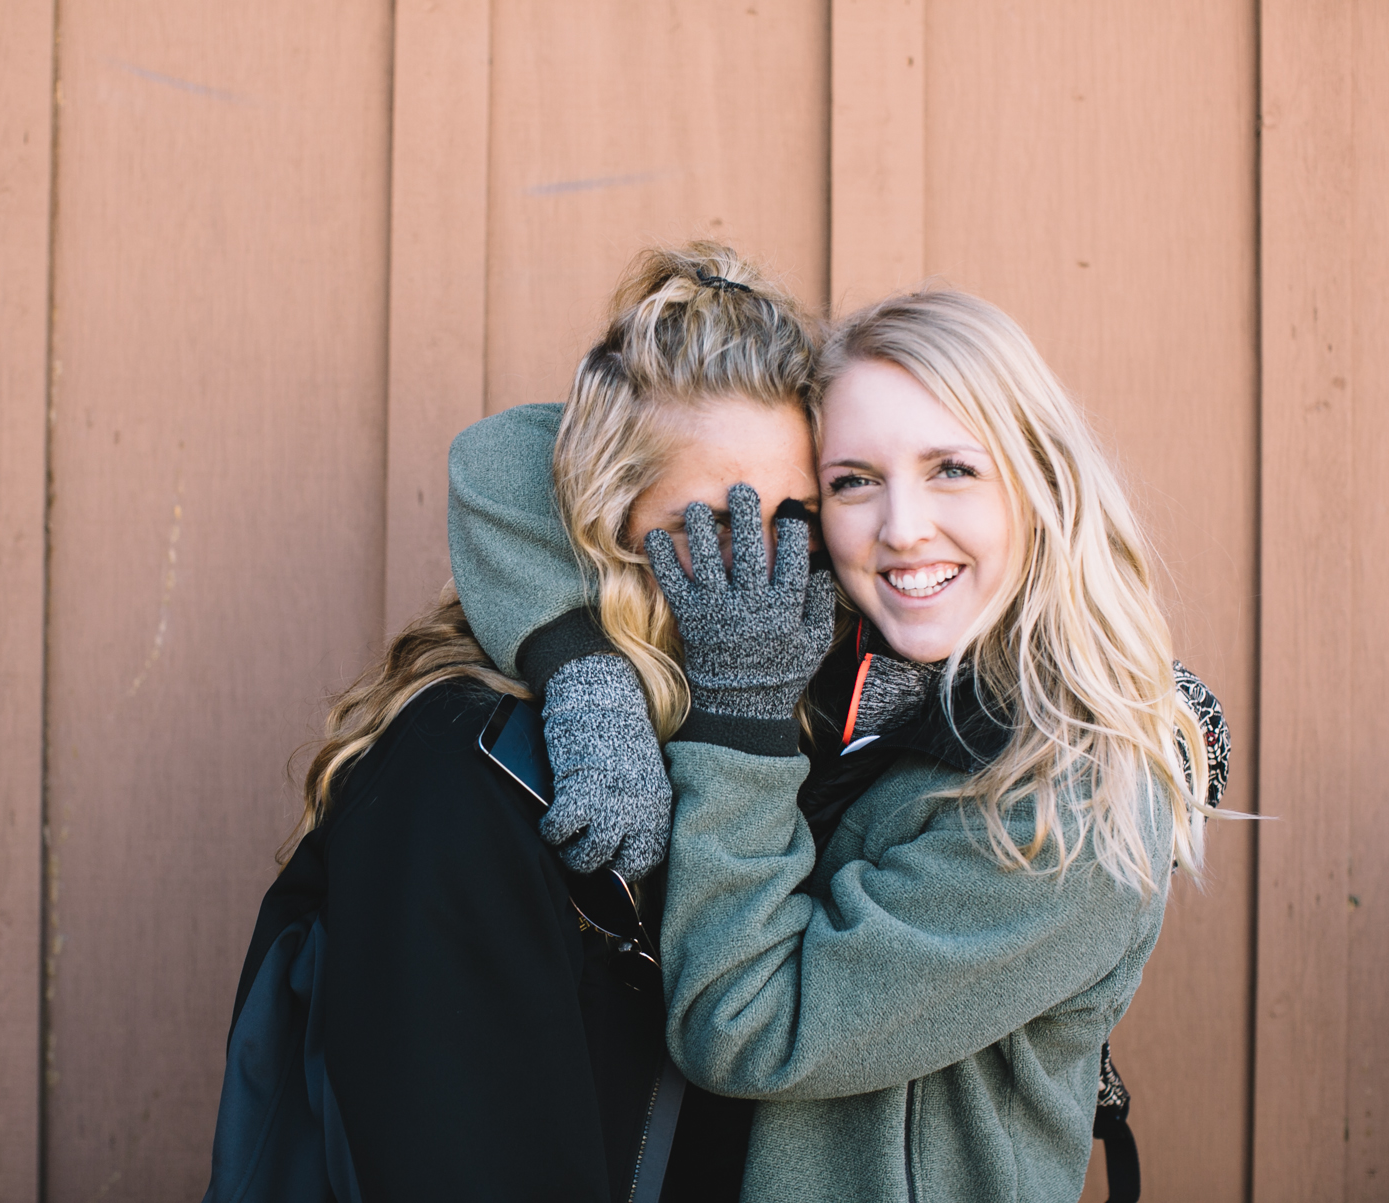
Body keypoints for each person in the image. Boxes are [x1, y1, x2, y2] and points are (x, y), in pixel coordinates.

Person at [445, 286, 1233, 1202]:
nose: (902, 528)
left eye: (952, 469)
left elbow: (745, 1026)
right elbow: (501, 457)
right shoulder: (826, 630)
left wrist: (740, 718)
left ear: (1043, 483)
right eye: (854, 480)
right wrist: (587, 673)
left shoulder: (1071, 807)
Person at [201, 244, 824, 1203]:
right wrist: (583, 666)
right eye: (708, 525)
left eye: (796, 521)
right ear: (608, 520)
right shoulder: (466, 772)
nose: (760, 571)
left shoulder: (785, 719)